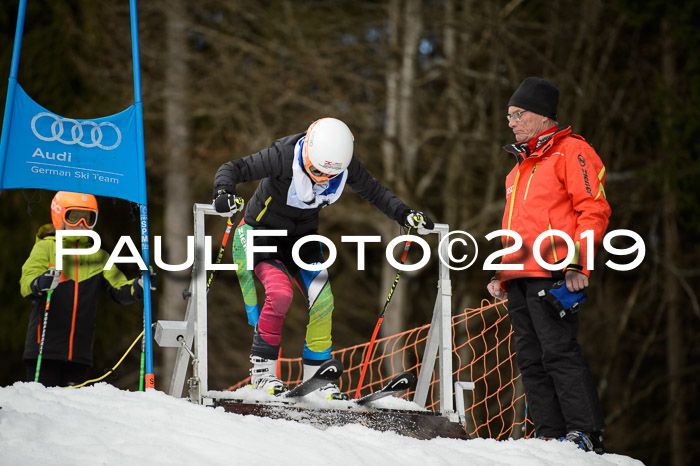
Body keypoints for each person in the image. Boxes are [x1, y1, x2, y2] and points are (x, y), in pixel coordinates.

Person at [212, 117, 434, 399]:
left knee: (323, 300)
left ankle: (317, 377)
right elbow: (234, 167)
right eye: (316, 171)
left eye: (329, 175)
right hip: (261, 234)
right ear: (307, 154)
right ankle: (263, 374)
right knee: (280, 294)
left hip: (302, 241)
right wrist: (223, 192)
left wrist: (406, 214)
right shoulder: (283, 155)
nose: (321, 178)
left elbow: (375, 192)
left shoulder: (344, 164)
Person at [487, 77, 611, 453]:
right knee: (530, 359)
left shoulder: (571, 151)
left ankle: (585, 432)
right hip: (519, 276)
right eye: (508, 115)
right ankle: (549, 436)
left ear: (542, 115)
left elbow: (593, 209)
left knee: (558, 352)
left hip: (555, 272)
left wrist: (579, 262)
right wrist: (501, 273)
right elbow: (518, 228)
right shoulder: (518, 168)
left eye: (517, 114)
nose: (510, 122)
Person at [20, 191, 155, 387]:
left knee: (74, 413)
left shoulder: (99, 256)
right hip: (44, 352)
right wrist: (40, 283)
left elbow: (119, 288)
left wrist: (139, 285)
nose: (82, 223)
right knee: (42, 411)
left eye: (88, 217)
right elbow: (26, 282)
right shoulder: (46, 248)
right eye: (74, 217)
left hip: (79, 355)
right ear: (59, 216)